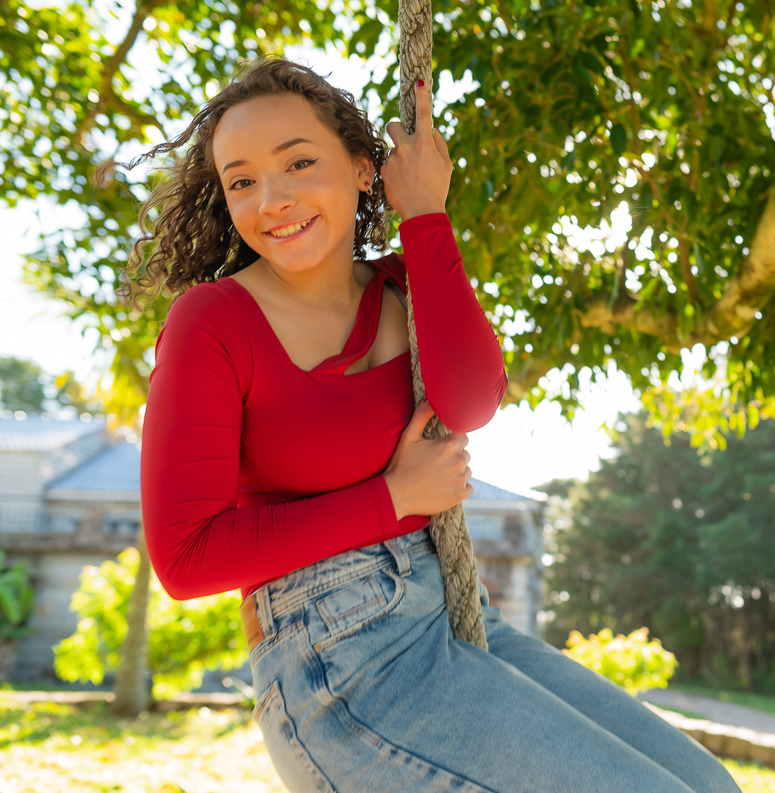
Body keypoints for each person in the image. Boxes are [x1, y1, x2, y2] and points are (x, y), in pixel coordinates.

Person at [129, 58, 740, 793]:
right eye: (242, 181)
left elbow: (471, 402)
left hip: (451, 610)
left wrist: (425, 213)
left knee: (711, 786)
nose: (273, 199)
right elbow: (186, 558)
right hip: (338, 661)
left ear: (364, 170)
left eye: (299, 163)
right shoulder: (212, 321)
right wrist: (391, 499)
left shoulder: (402, 285)